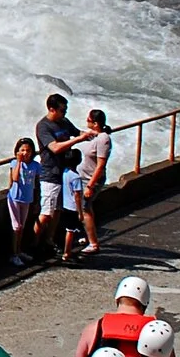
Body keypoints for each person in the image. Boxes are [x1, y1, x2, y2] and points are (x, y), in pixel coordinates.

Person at [34, 94, 82, 259]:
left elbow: (77, 132)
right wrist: (76, 140)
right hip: (49, 173)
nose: (65, 113)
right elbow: (54, 148)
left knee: (58, 211)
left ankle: (49, 241)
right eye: (62, 110)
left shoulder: (64, 122)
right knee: (46, 212)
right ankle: (33, 244)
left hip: (64, 173)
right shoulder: (43, 126)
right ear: (52, 109)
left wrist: (93, 133)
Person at [63, 109, 113, 262]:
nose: (87, 121)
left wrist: (91, 186)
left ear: (96, 123)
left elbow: (100, 165)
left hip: (91, 180)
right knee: (87, 208)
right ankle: (89, 236)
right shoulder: (92, 135)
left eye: (89, 120)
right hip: (83, 178)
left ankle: (94, 243)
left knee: (85, 210)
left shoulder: (103, 139)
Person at [5, 138, 39, 265]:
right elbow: (14, 179)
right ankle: (14, 254)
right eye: (22, 150)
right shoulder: (14, 163)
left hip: (27, 198)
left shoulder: (35, 165)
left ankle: (19, 250)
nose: (25, 153)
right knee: (17, 227)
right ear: (17, 152)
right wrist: (19, 162)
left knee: (22, 227)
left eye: (28, 150)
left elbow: (36, 183)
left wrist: (37, 201)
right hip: (14, 198)